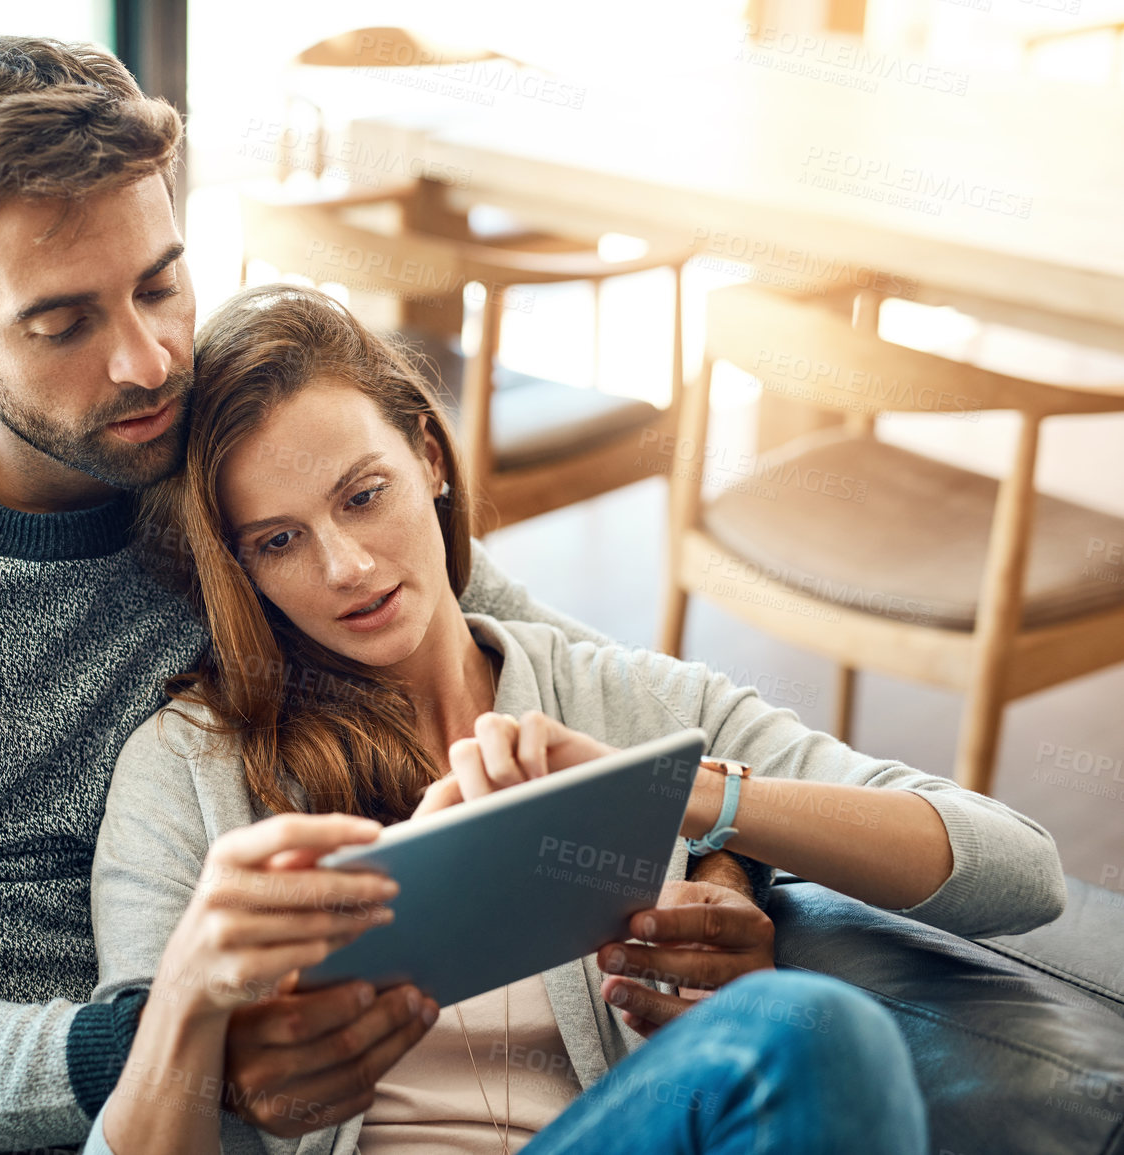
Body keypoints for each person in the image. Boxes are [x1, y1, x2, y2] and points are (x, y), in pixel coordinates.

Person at [0, 37, 776, 1155]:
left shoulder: (256, 472)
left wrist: (725, 869)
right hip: (31, 1103)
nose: (146, 363)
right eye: (63, 325)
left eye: (161, 286)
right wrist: (165, 1048)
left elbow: (591, 695)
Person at [80, 284, 1068, 1153]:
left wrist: (685, 798)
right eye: (280, 540)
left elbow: (1020, 871)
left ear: (430, 457)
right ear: (241, 567)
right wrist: (188, 1003)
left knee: (809, 1030)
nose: (344, 567)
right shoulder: (190, 771)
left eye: (364, 496)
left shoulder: (619, 701)